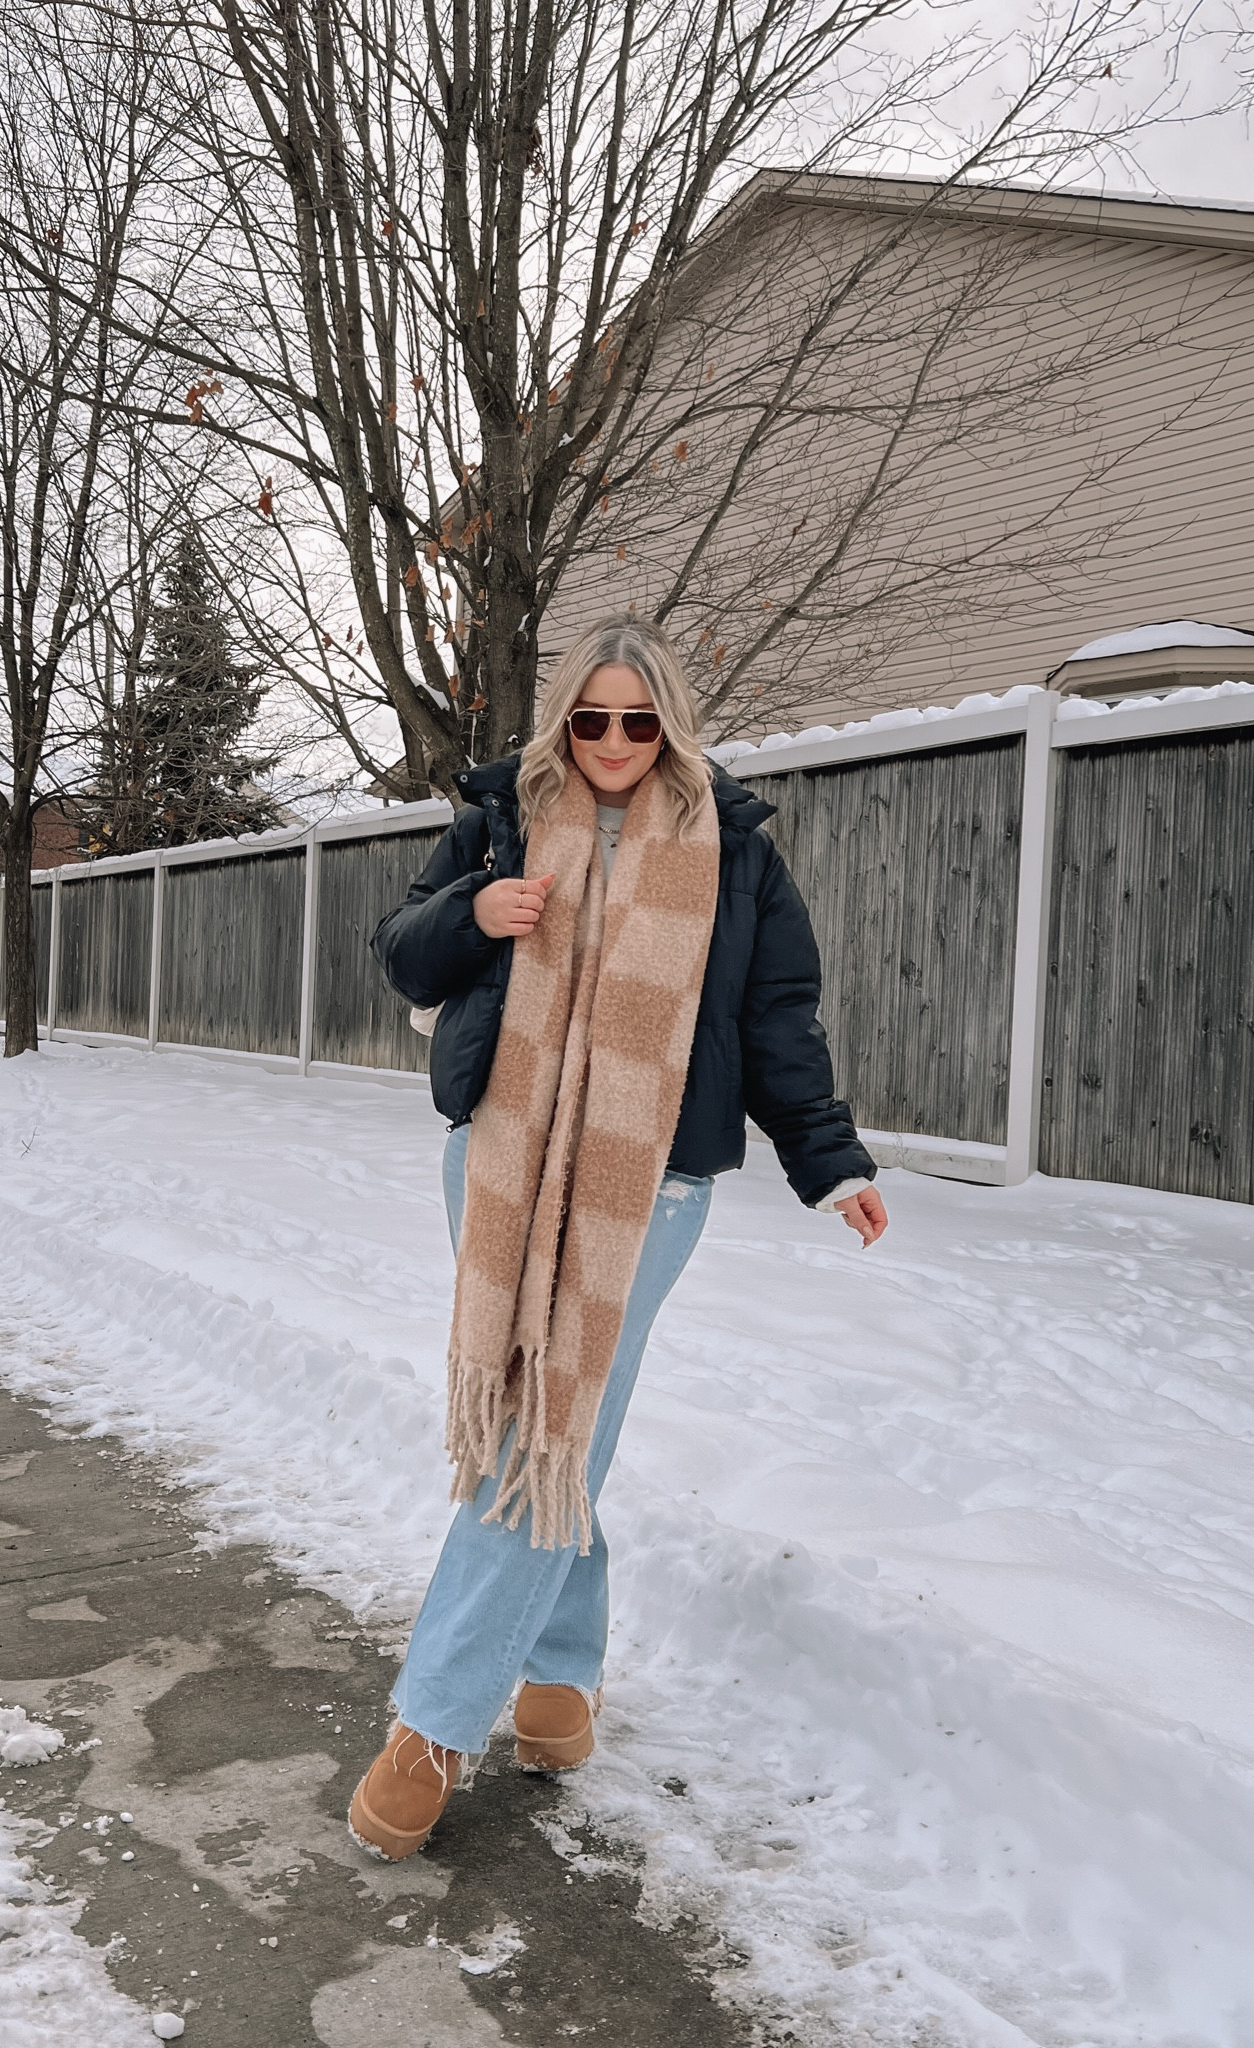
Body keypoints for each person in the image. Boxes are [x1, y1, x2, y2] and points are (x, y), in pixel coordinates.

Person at [351, 615, 888, 1860]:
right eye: (588, 718)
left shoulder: (732, 847)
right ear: (561, 723)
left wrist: (829, 1158)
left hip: (654, 1183)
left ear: (669, 725)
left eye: (635, 720)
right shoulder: (497, 814)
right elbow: (402, 953)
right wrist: (479, 910)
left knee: (547, 1424)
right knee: (550, 1417)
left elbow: (777, 1018)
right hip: (494, 1159)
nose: (610, 741)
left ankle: (431, 1723)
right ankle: (557, 1673)